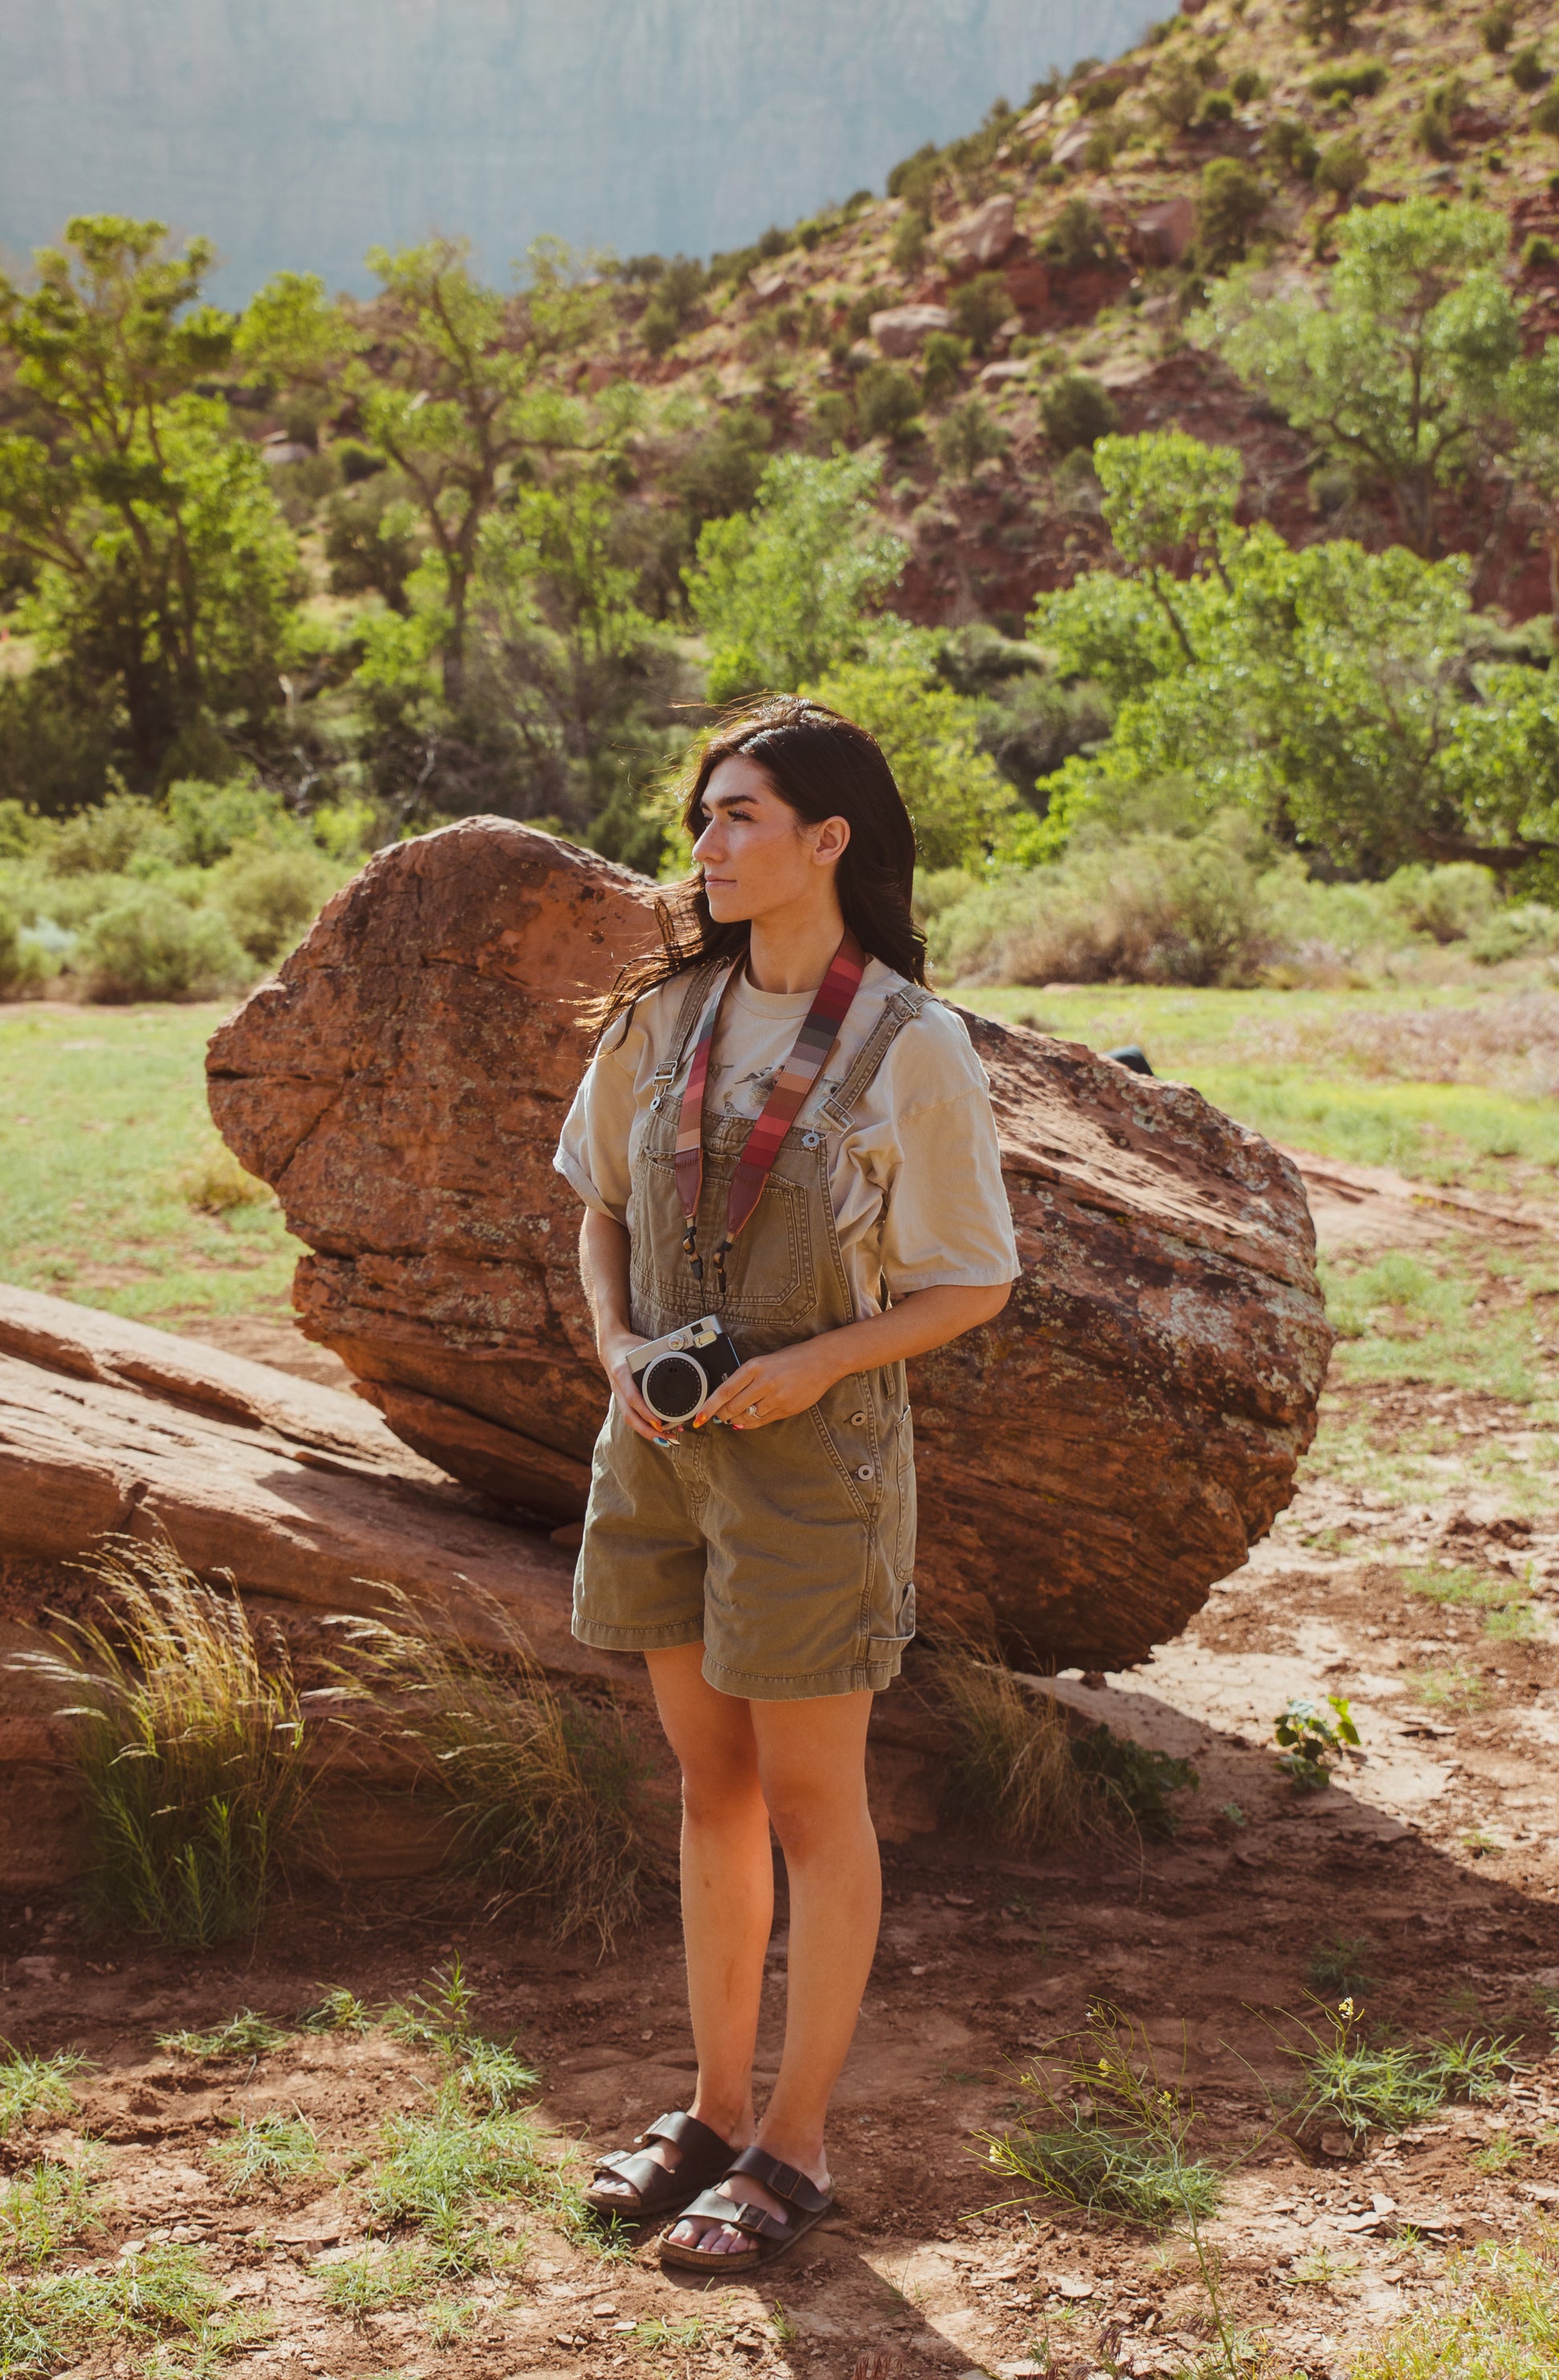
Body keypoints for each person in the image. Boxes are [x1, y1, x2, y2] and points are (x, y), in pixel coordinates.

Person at [554, 695, 1017, 2273]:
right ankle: (707, 2110)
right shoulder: (659, 1015)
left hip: (813, 1455)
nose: (706, 845)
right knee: (711, 1786)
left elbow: (971, 1280)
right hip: (662, 1446)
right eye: (702, 815)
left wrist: (817, 1364)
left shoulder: (912, 1041)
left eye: (739, 813)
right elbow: (598, 1207)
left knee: (814, 1800)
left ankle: (795, 2141)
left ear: (831, 837)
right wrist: (617, 1342)